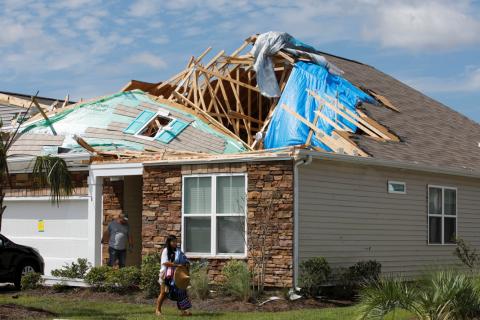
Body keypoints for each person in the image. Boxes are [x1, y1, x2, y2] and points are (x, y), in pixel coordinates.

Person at [156, 235, 192, 317]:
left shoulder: (178, 251)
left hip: (177, 276)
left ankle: (183, 311)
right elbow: (165, 263)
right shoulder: (165, 251)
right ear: (169, 242)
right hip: (165, 275)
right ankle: (157, 310)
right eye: (174, 241)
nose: (176, 243)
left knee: (181, 292)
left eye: (176, 241)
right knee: (163, 292)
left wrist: (186, 263)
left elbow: (184, 259)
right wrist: (176, 265)